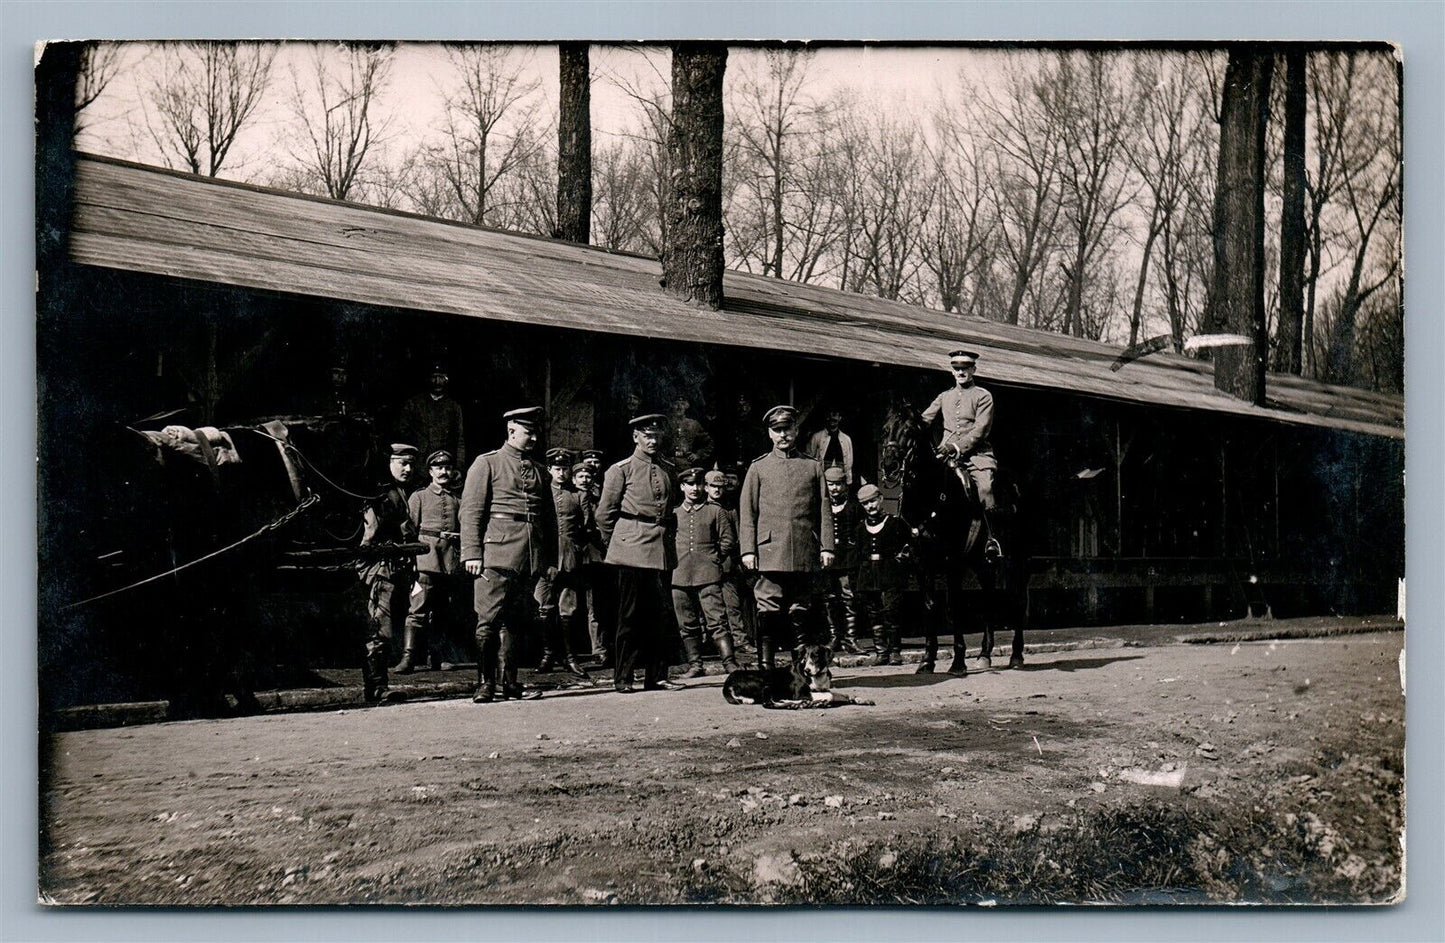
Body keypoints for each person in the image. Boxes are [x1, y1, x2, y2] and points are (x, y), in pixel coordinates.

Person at [459, 407, 556, 703]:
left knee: (516, 621)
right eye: (529, 432)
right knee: (488, 621)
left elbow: (549, 520)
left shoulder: (540, 471)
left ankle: (510, 682)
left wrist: (550, 559)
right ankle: (485, 683)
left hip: (529, 556)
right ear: (512, 430)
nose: (534, 438)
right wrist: (472, 553)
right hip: (496, 554)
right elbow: (471, 512)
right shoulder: (486, 463)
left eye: (536, 432)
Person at [738, 404, 835, 670]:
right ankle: (767, 670)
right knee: (768, 607)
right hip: (770, 550)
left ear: (796, 430)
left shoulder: (813, 467)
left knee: (800, 608)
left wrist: (827, 546)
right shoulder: (758, 468)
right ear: (769, 433)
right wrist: (748, 550)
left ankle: (799, 669)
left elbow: (824, 510)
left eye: (787, 429)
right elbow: (748, 512)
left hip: (804, 549)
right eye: (777, 430)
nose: (783, 435)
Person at [597, 413, 683, 694]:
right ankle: (624, 677)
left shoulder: (668, 468)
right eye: (648, 436)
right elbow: (604, 515)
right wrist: (620, 542)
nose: (653, 441)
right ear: (636, 437)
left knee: (660, 616)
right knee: (629, 616)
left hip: (661, 549)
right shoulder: (620, 470)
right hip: (631, 549)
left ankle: (657, 676)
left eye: (657, 436)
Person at [357, 443, 419, 702]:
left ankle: (376, 685)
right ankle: (378, 686)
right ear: (388, 463)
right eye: (401, 463)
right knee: (378, 626)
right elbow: (368, 536)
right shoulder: (380, 495)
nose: (407, 468)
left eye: (411, 464)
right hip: (379, 567)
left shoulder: (402, 492)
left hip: (395, 567)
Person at [395, 449, 465, 675]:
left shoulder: (457, 500)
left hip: (449, 562)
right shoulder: (419, 497)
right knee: (418, 607)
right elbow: (409, 530)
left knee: (443, 610)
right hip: (425, 560)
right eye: (438, 468)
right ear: (430, 472)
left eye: (447, 468)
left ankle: (438, 655)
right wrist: (411, 558)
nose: (443, 472)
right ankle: (409, 657)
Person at [671, 467, 741, 678]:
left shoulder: (715, 511)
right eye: (690, 484)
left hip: (708, 575)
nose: (695, 488)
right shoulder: (674, 513)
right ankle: (695, 665)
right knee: (687, 623)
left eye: (699, 484)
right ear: (682, 487)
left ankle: (729, 663)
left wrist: (714, 559)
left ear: (704, 486)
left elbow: (727, 539)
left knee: (717, 620)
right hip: (680, 575)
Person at [533, 448, 591, 678]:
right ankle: (548, 656)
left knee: (568, 609)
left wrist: (575, 550)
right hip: (544, 560)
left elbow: (586, 527)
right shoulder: (542, 495)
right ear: (549, 470)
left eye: (565, 469)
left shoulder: (577, 496)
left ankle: (570, 658)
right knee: (544, 607)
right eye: (557, 469)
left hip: (569, 560)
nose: (561, 473)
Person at [920, 349, 997, 512]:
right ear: (952, 371)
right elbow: (924, 420)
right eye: (957, 368)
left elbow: (980, 430)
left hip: (976, 457)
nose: (960, 372)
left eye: (965, 368)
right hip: (944, 455)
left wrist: (955, 447)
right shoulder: (944, 396)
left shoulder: (983, 396)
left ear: (973, 370)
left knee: (985, 489)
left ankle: (991, 535)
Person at [854, 483, 914, 666]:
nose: (870, 506)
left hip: (890, 573)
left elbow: (909, 546)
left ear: (881, 499)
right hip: (868, 575)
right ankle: (881, 651)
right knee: (874, 614)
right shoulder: (859, 528)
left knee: (891, 612)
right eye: (865, 504)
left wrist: (901, 560)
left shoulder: (895, 523)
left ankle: (895, 651)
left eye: (873, 501)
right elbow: (856, 553)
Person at [566, 460, 612, 668]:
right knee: (569, 606)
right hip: (571, 559)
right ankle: (568, 654)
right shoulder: (566, 498)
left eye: (588, 476)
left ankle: (599, 651)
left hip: (594, 558)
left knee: (597, 607)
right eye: (580, 477)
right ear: (573, 479)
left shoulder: (598, 500)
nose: (584, 480)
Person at [707, 466, 754, 656]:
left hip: (727, 564)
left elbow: (738, 535)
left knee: (732, 605)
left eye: (720, 487)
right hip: (706, 565)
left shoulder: (730, 509)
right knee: (711, 609)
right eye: (713, 486)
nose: (717, 490)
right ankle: (713, 644)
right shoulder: (702, 508)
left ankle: (740, 640)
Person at [821, 465, 866, 654]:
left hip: (848, 558)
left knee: (849, 597)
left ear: (845, 485)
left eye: (838, 484)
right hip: (827, 559)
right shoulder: (820, 505)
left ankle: (851, 638)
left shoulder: (854, 506)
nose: (834, 489)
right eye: (831, 484)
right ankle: (834, 637)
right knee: (829, 598)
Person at [397, 363, 466, 471]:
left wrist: (459, 467)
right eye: (434, 377)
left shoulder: (454, 407)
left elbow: (460, 440)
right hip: (419, 464)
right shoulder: (414, 404)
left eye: (441, 377)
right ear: (428, 379)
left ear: (447, 380)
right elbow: (402, 434)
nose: (437, 381)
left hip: (443, 464)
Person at [806, 407, 855, 484]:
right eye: (830, 415)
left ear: (840, 418)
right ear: (827, 417)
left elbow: (849, 460)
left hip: (840, 470)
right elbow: (809, 457)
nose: (833, 418)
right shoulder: (817, 437)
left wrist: (848, 478)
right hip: (823, 470)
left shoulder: (846, 439)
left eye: (835, 415)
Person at [667, 394, 714, 469]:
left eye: (682, 404)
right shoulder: (665, 423)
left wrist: (698, 455)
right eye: (676, 404)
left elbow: (709, 443)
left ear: (687, 406)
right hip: (668, 464)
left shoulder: (693, 425)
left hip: (687, 464)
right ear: (671, 405)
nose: (679, 407)